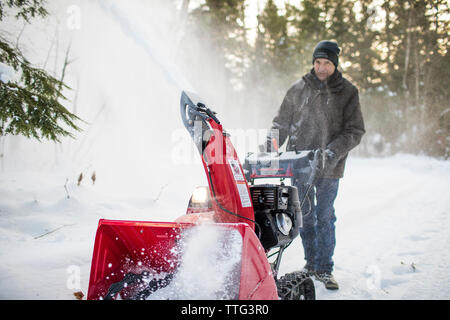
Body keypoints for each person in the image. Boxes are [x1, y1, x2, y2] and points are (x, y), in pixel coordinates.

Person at [263, 40, 365, 290]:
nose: (321, 68)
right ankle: (311, 264)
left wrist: (331, 152)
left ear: (335, 64)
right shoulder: (298, 89)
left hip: (330, 166)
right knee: (305, 215)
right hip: (299, 164)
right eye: (318, 62)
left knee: (325, 215)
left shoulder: (347, 92)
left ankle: (324, 268)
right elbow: (281, 124)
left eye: (327, 63)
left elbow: (355, 130)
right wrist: (270, 147)